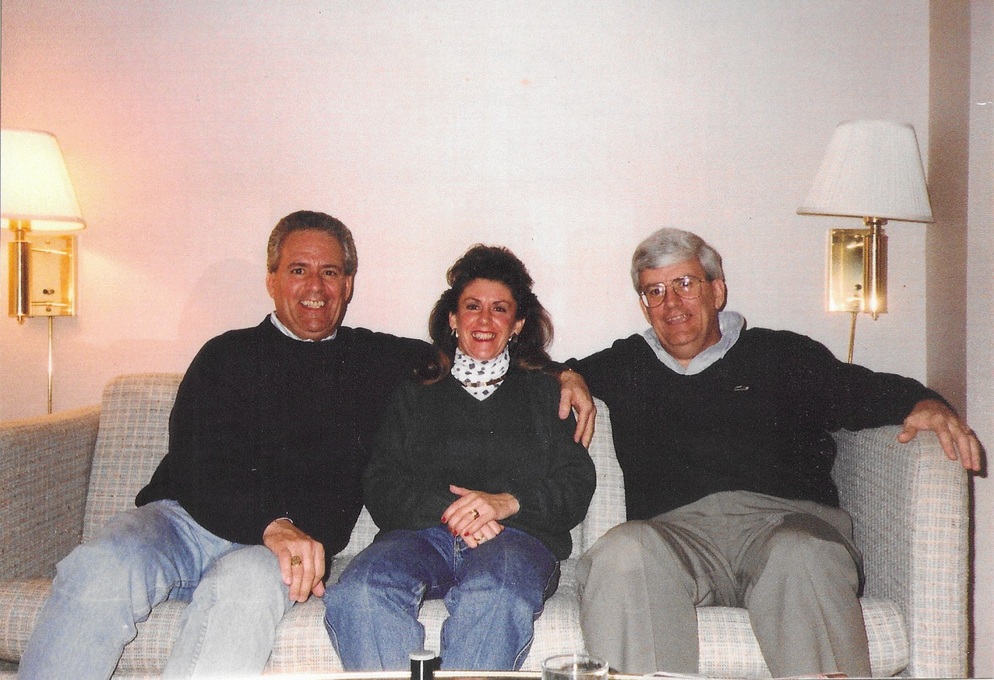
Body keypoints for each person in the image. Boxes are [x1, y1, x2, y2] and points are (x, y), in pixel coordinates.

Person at [19, 213, 595, 680]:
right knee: (102, 565)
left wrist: (566, 374)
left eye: (331, 273)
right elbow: (196, 460)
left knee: (242, 598)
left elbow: (486, 363)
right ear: (272, 279)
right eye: (299, 270)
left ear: (348, 284)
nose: (315, 287)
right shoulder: (226, 354)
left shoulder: (382, 361)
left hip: (274, 554)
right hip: (185, 522)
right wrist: (270, 521)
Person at [569, 227, 982, 678]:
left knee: (801, 552)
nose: (671, 303)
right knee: (622, 552)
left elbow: (861, 388)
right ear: (644, 305)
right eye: (655, 291)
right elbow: (537, 377)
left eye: (685, 284)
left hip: (785, 524)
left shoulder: (782, 354)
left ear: (717, 290)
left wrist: (925, 403)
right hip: (676, 540)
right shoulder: (627, 363)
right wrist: (565, 376)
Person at [323, 245, 597, 671]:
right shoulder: (415, 390)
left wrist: (506, 502)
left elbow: (576, 481)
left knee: (496, 593)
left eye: (500, 309)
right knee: (361, 591)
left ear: (517, 324)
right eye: (472, 307)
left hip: (514, 539)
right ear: (453, 319)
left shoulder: (546, 392)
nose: (485, 320)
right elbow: (381, 481)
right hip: (421, 536)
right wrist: (454, 511)